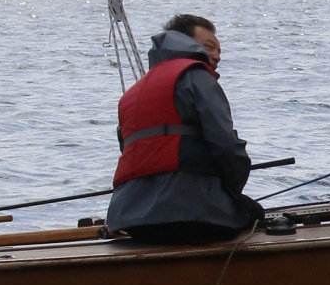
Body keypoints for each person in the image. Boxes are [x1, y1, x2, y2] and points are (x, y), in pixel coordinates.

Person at [107, 13, 264, 243]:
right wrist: (232, 190)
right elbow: (227, 147)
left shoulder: (131, 95)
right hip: (190, 215)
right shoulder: (197, 78)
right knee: (254, 214)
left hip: (129, 219)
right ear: (184, 42)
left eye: (219, 51)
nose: (217, 56)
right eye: (209, 47)